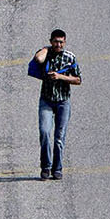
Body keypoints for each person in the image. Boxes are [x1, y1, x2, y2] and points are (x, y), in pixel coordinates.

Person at [29, 29, 80, 180]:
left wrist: (60, 77)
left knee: (59, 137)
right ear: (51, 41)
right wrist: (45, 49)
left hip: (63, 102)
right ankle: (45, 166)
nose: (59, 45)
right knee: (45, 132)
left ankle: (57, 168)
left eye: (61, 42)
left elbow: (78, 80)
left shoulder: (70, 57)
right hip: (46, 100)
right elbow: (38, 60)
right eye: (56, 42)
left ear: (65, 42)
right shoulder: (46, 54)